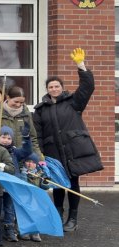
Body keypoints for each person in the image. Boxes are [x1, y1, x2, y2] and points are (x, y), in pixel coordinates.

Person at [33, 48, 102, 232]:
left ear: (62, 87)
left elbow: (88, 87)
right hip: (53, 152)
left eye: (56, 86)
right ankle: (57, 215)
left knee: (72, 183)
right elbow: (37, 134)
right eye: (50, 87)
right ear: (46, 90)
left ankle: (72, 218)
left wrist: (81, 65)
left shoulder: (74, 102)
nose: (54, 89)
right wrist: (40, 155)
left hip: (73, 150)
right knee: (57, 185)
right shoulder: (40, 110)